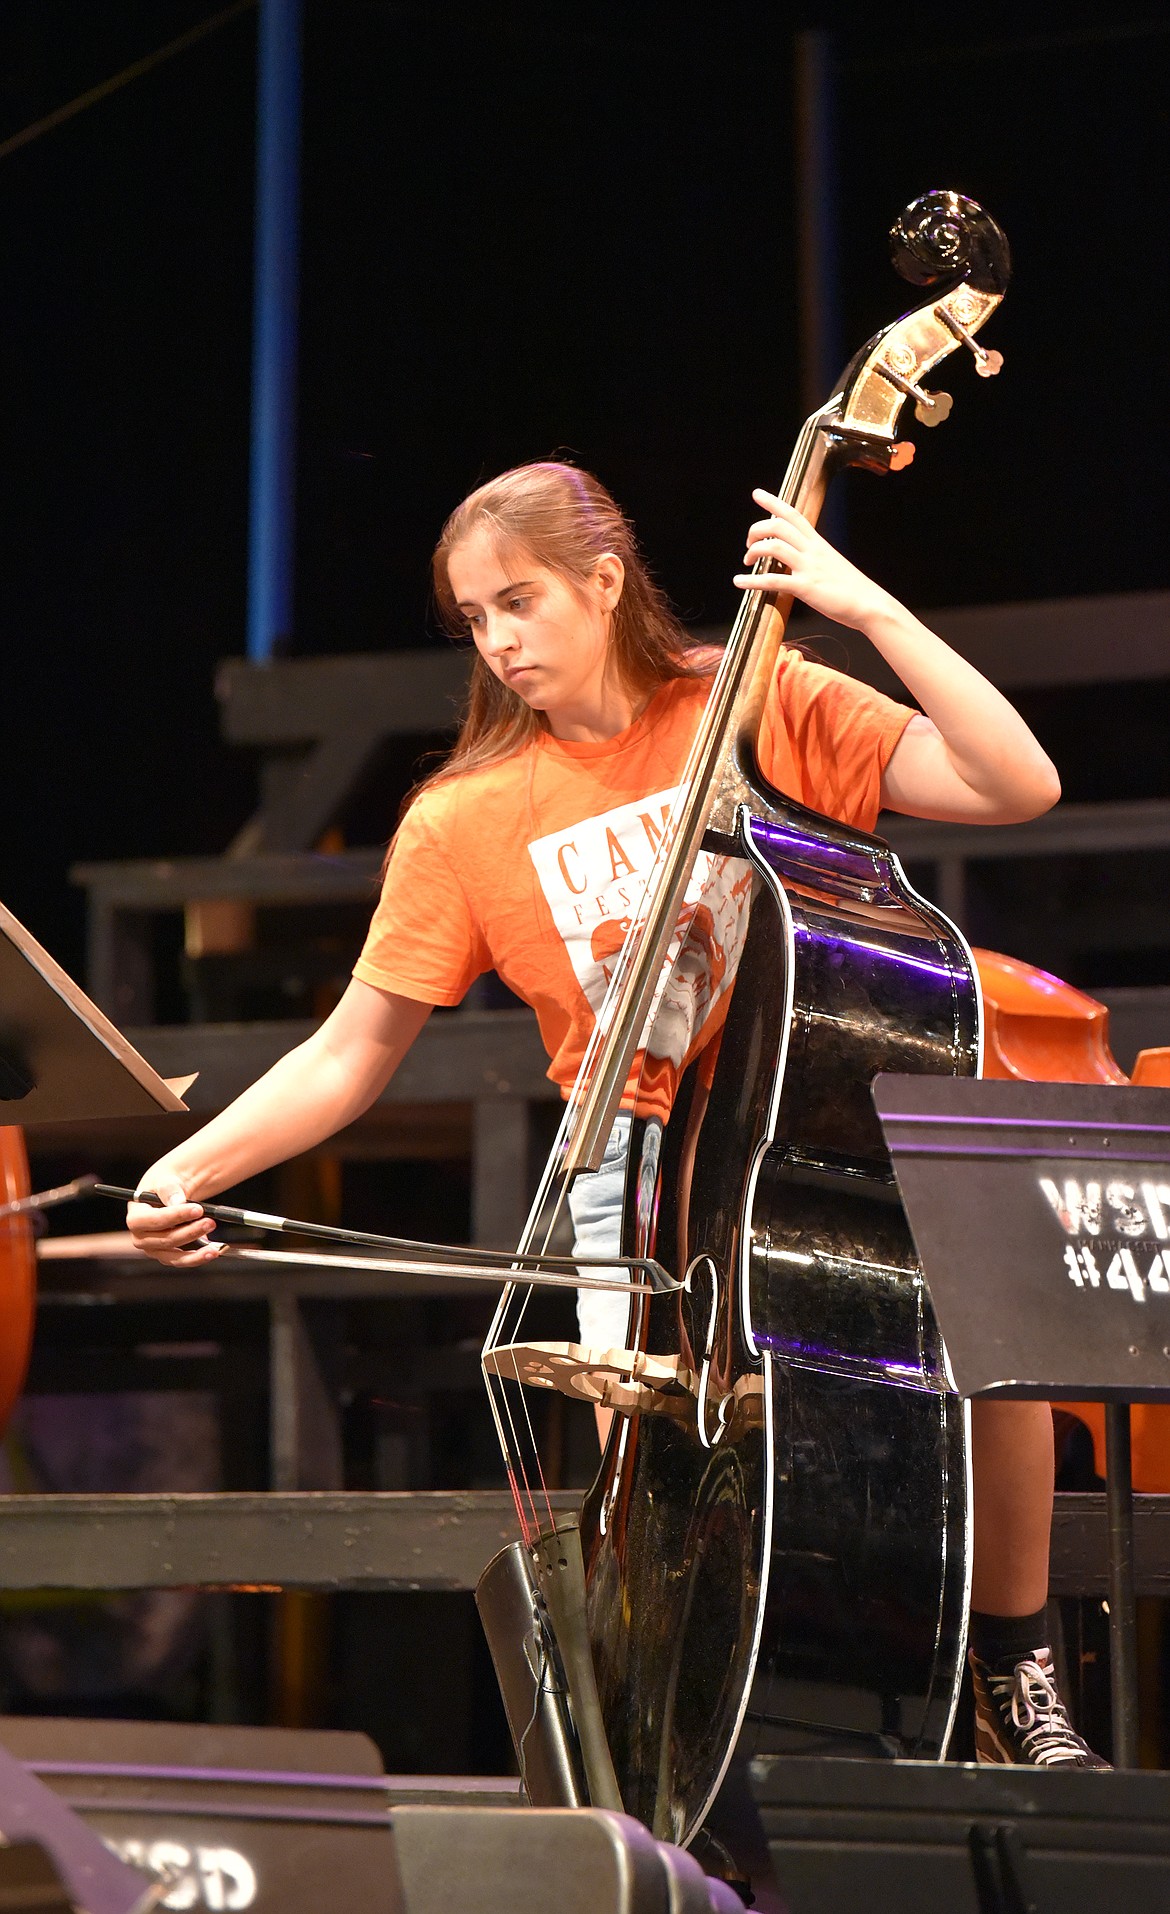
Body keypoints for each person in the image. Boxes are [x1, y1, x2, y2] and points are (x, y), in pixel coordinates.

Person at [127, 460, 1103, 1768]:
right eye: (473, 617)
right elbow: (349, 1050)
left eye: (518, 601)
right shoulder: (461, 818)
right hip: (635, 1179)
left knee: (990, 1322)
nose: (499, 640)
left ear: (603, 580)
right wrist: (188, 1162)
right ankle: (699, 1772)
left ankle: (1014, 1659)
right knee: (669, 1520)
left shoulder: (750, 697)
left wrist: (867, 608)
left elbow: (1012, 782)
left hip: (829, 1130)